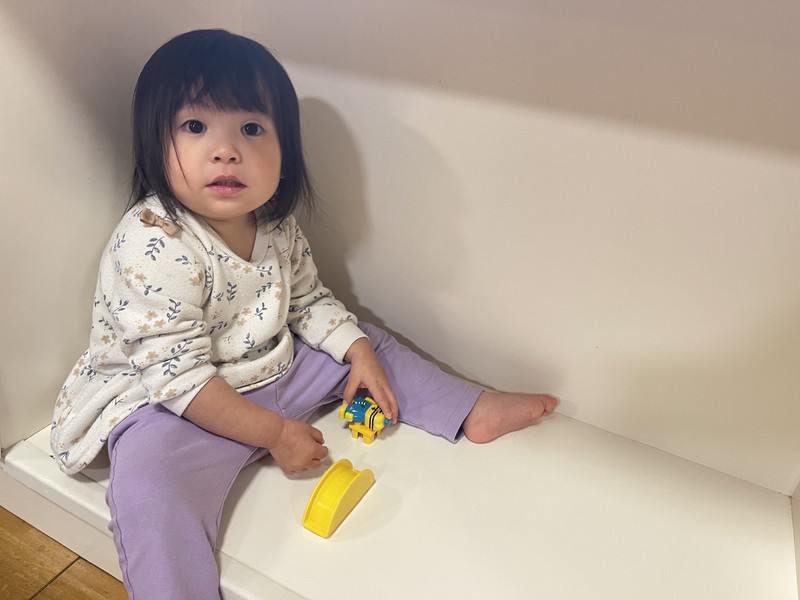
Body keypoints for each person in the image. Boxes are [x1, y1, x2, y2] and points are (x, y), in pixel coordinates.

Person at [50, 29, 557, 599]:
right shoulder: (153, 243)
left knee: (367, 342)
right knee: (149, 488)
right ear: (151, 144)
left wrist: (358, 353)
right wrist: (274, 434)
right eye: (194, 126)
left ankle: (468, 409)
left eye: (251, 128)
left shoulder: (272, 223)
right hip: (170, 404)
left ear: (284, 150)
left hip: (267, 369)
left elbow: (307, 302)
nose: (226, 150)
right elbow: (176, 378)